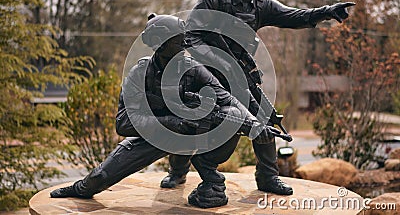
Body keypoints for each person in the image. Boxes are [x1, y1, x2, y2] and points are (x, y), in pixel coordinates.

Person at [161, 0, 355, 195]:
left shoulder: (260, 5)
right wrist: (222, 63)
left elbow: (293, 16)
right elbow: (191, 36)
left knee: (263, 118)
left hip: (241, 78)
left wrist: (326, 11)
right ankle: (178, 171)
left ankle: (267, 177)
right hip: (204, 76)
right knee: (191, 122)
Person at [49, 14, 269, 208]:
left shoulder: (193, 69)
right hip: (156, 136)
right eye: (179, 39)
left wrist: (255, 124)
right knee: (98, 178)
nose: (185, 42)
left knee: (230, 115)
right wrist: (171, 122)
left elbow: (225, 98)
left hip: (189, 134)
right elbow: (124, 122)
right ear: (161, 44)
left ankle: (203, 178)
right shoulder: (140, 73)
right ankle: (82, 187)